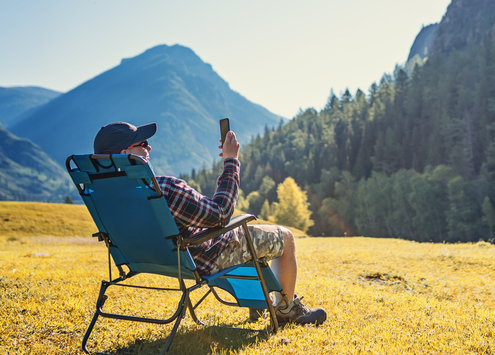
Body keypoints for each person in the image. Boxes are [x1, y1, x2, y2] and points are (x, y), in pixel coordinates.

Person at [93, 121, 326, 326]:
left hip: (147, 258)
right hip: (202, 258)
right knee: (284, 237)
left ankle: (259, 301)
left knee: (250, 235)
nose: (149, 146)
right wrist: (231, 161)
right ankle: (286, 310)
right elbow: (221, 214)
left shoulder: (99, 193)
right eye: (142, 143)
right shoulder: (162, 189)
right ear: (125, 153)